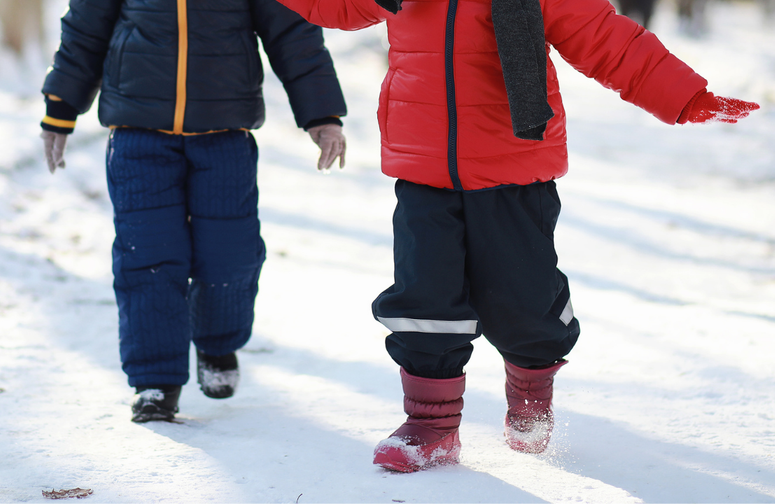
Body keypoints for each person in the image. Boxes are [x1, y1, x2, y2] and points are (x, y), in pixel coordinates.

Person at [275, 0, 759, 472]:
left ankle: (530, 395)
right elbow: (334, 7)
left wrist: (683, 97)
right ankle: (430, 425)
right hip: (423, 164)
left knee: (523, 298)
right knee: (424, 298)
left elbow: (604, 38)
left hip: (515, 166)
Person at [39, 0, 347, 423]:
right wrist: (61, 106)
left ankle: (218, 343)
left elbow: (293, 32)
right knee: (147, 255)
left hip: (225, 133)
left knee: (230, 253)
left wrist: (322, 113)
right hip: (137, 132)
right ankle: (155, 380)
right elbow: (85, 29)